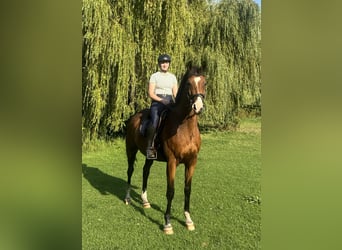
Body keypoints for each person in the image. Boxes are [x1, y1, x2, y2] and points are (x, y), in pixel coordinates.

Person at [146, 54, 178, 159]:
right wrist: (161, 100)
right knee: (155, 120)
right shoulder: (155, 76)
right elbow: (151, 93)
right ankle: (150, 147)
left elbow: (175, 94)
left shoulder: (172, 77)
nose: (164, 64)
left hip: (169, 102)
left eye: (166, 62)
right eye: (162, 63)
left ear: (169, 64)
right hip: (157, 102)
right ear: (159, 64)